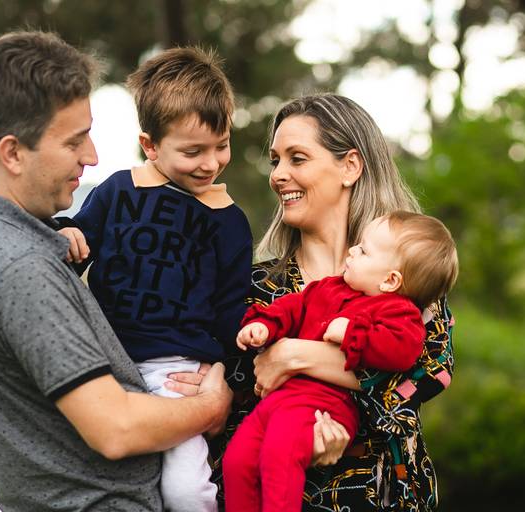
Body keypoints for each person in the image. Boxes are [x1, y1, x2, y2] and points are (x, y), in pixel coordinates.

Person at [0, 31, 233, 512]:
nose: (92, 156)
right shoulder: (21, 268)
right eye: (74, 141)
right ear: (12, 153)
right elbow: (116, 429)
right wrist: (212, 405)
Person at [169, 93, 456, 510]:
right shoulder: (254, 287)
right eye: (275, 161)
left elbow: (427, 375)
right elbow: (225, 394)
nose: (278, 175)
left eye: (297, 158)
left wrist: (294, 355)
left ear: (350, 166)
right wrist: (216, 394)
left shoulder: (405, 279)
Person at [57, 46, 252, 511]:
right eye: (192, 151)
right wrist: (64, 233)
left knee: (185, 491)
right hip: (106, 367)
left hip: (177, 375)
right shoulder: (119, 191)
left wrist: (229, 370)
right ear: (150, 145)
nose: (210, 163)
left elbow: (231, 312)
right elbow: (78, 244)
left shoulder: (229, 221)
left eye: (221, 145)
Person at [223, 211, 458, 511]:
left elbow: (404, 351)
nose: (353, 250)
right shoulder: (330, 287)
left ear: (390, 280)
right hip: (280, 400)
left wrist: (351, 333)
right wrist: (265, 325)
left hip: (324, 405)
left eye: (364, 251)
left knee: (279, 454)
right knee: (237, 460)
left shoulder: (398, 311)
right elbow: (292, 307)